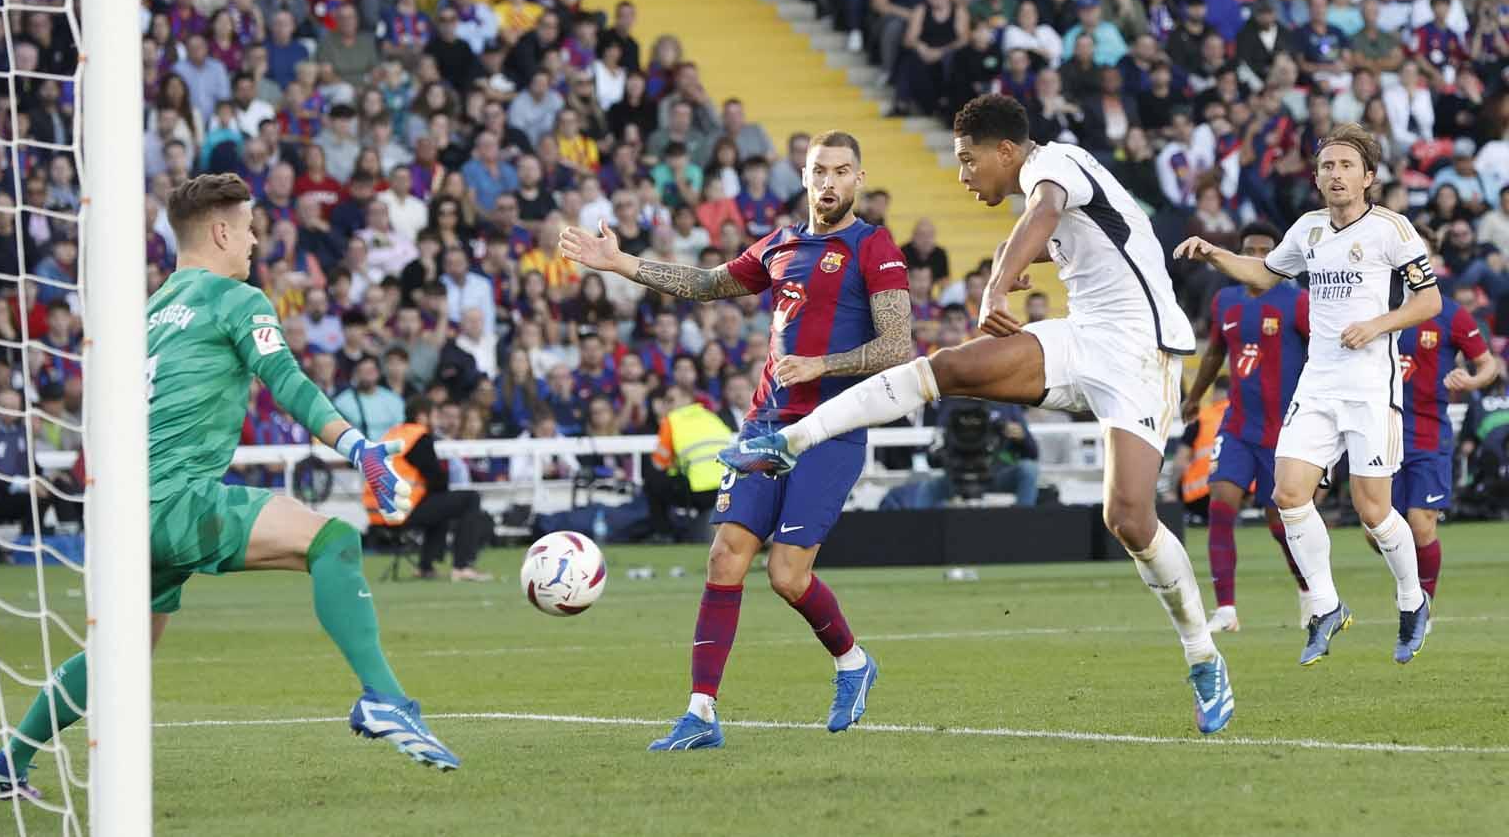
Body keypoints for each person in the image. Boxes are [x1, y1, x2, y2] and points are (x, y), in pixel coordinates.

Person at [721, 95, 1234, 734]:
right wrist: (1017, 262)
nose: (963, 175)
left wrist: (999, 281)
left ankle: (1202, 656)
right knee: (950, 367)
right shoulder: (1062, 185)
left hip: (1140, 354)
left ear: (1006, 152)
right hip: (1082, 338)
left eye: (968, 161)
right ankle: (791, 440)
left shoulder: (1059, 165)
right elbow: (1086, 235)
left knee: (1128, 517)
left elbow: (1046, 211)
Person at [0, 175, 457, 799]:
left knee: (121, 658)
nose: (254, 242)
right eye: (249, 228)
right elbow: (287, 379)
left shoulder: (148, 312)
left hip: (121, 511)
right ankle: (385, 697)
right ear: (222, 231)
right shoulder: (236, 298)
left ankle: (5, 764)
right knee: (333, 541)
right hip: (179, 501)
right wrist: (356, 446)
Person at [558, 130, 913, 750]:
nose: (829, 182)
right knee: (724, 556)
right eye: (819, 170)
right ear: (804, 178)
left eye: (842, 171)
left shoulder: (873, 246)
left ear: (859, 179)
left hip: (827, 430)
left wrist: (822, 366)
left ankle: (853, 664)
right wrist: (622, 264)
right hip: (765, 424)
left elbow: (896, 346)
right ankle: (700, 715)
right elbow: (705, 283)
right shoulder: (781, 244)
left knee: (786, 575)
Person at [1174, 123, 1442, 667]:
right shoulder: (1308, 229)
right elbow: (1263, 273)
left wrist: (1377, 325)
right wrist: (1213, 253)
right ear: (1317, 178)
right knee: (1289, 495)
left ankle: (1413, 602)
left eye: (1347, 166)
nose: (1336, 174)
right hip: (1319, 384)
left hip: (1370, 386)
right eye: (1327, 167)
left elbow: (1430, 301)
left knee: (1374, 510)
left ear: (1368, 177)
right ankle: (1325, 605)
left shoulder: (1394, 230)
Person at [1181, 229, 1314, 633]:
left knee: (1280, 522)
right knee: (1221, 504)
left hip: (1284, 431)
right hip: (1237, 424)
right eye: (1250, 251)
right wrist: (1196, 397)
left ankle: (1311, 592)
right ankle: (1226, 610)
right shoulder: (1226, 302)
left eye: (1265, 251)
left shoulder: (1299, 303)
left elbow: (1323, 355)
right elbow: (1216, 352)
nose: (1257, 257)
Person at [1380, 294, 1498, 608]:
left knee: (1422, 521)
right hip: (1379, 433)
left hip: (1428, 434)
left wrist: (1471, 381)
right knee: (1376, 529)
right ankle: (1408, 580)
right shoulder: (1373, 304)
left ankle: (1422, 602)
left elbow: (1489, 365)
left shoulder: (1451, 314)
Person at [367, 396, 492, 582]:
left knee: (438, 503)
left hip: (377, 512)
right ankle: (462, 566)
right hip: (400, 511)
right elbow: (437, 479)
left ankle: (426, 567)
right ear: (422, 416)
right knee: (470, 499)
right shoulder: (418, 437)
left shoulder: (393, 434)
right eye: (435, 415)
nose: (438, 421)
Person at [644, 382, 734, 541]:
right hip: (730, 487)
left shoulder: (672, 420)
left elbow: (659, 463)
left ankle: (663, 534)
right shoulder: (712, 417)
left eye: (671, 400)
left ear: (687, 399)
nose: (666, 405)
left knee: (652, 481)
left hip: (701, 491)